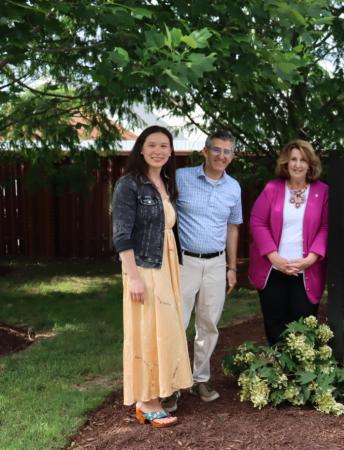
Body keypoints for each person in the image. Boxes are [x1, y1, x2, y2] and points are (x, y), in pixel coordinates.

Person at [111, 125, 192, 428]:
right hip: (144, 267)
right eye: (152, 145)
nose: (158, 151)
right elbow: (121, 234)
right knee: (146, 330)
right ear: (141, 149)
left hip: (166, 264)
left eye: (164, 146)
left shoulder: (165, 183)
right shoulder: (128, 185)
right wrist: (133, 277)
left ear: (171, 151)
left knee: (166, 329)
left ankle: (160, 389)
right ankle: (145, 401)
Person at [163, 131, 242, 410]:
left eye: (228, 152)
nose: (222, 156)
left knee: (208, 324)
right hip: (185, 262)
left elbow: (233, 228)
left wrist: (232, 268)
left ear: (233, 156)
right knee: (177, 322)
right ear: (205, 151)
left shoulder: (234, 188)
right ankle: (171, 385)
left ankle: (200, 379)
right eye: (217, 150)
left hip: (217, 263)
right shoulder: (182, 179)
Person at [249, 139, 329, 345]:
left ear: (310, 164)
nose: (297, 164)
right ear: (286, 162)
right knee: (275, 323)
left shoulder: (323, 191)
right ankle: (279, 372)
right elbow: (257, 222)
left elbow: (325, 227)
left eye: (303, 159)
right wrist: (274, 257)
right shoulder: (272, 188)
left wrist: (310, 259)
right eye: (293, 159)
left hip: (306, 270)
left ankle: (301, 371)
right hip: (273, 268)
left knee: (303, 326)